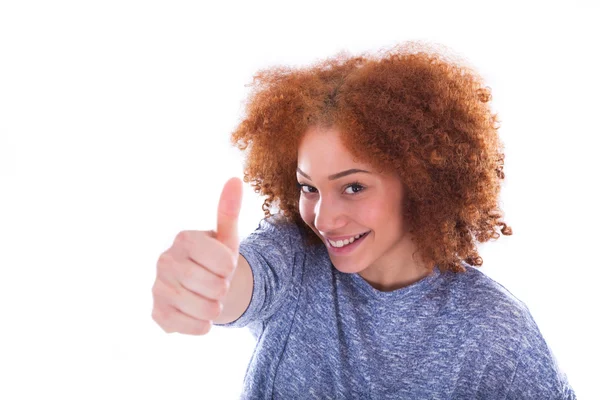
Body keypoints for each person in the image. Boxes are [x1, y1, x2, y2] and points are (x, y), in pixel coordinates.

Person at [151, 42, 576, 398]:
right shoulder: (296, 256)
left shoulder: (493, 330)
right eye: (308, 187)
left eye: (353, 187)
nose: (323, 217)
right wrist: (206, 284)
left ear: (419, 182)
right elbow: (244, 281)